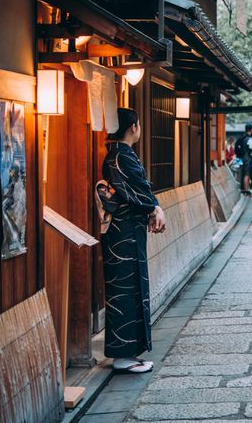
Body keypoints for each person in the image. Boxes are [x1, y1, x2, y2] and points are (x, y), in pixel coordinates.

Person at [100, 108, 166, 374]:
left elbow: (140, 187)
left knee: (132, 285)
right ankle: (122, 356)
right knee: (125, 288)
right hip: (122, 232)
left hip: (128, 229)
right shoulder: (120, 156)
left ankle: (129, 353)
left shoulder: (120, 154)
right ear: (134, 127)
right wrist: (153, 208)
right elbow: (135, 190)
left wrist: (152, 207)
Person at [235, 124, 252, 194]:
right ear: (251, 129)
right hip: (247, 157)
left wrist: (239, 155)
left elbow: (236, 148)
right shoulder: (249, 139)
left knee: (242, 173)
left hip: (241, 158)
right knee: (247, 174)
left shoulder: (241, 137)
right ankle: (246, 189)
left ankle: (243, 188)